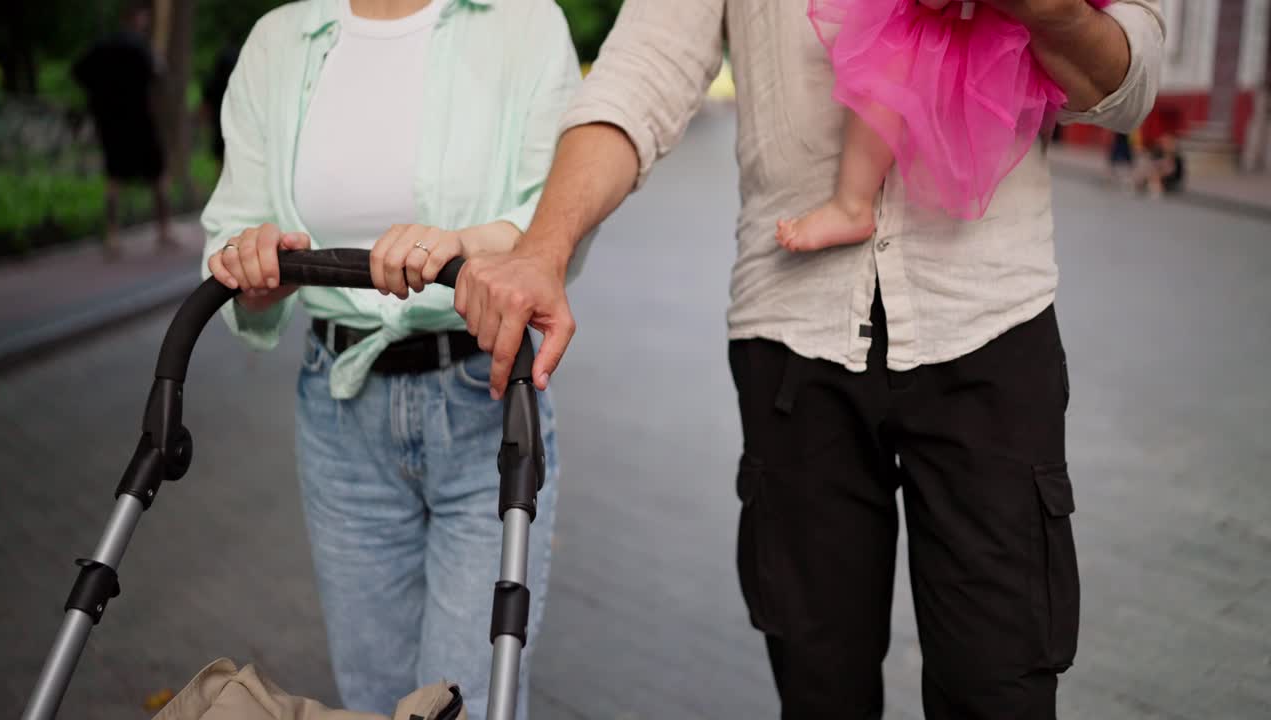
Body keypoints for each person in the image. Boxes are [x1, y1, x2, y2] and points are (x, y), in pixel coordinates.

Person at [452, 0, 1165, 717]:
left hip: (991, 325)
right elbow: (645, 69)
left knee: (999, 686)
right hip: (793, 331)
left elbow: (1130, 82)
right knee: (818, 684)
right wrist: (543, 247)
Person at [199, 0, 580, 716]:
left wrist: (470, 242)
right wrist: (247, 264)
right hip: (338, 414)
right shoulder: (280, 42)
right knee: (372, 702)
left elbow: (555, 217)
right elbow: (231, 230)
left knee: (464, 701)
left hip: (486, 400)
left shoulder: (523, 24)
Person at [776, 0, 1115, 252]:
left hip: (993, 32)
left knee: (886, 66)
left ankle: (851, 205)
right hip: (982, 34)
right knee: (890, 70)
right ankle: (851, 205)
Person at [72, 0, 173, 259]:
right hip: (140, 120)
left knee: (114, 179)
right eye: (143, 18)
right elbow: (156, 74)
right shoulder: (141, 48)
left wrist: (98, 96)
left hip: (110, 122)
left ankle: (112, 234)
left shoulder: (101, 47)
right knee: (158, 176)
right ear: (137, 18)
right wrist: (156, 64)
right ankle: (164, 230)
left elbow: (78, 72)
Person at [1139, 131, 1185, 196]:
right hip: (1159, 176)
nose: (1165, 144)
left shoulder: (1176, 157)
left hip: (1171, 179)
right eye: (1164, 142)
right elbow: (1151, 164)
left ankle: (1155, 188)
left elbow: (1173, 171)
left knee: (1156, 173)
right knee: (1149, 170)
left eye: (1168, 142)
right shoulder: (1158, 153)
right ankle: (1147, 185)